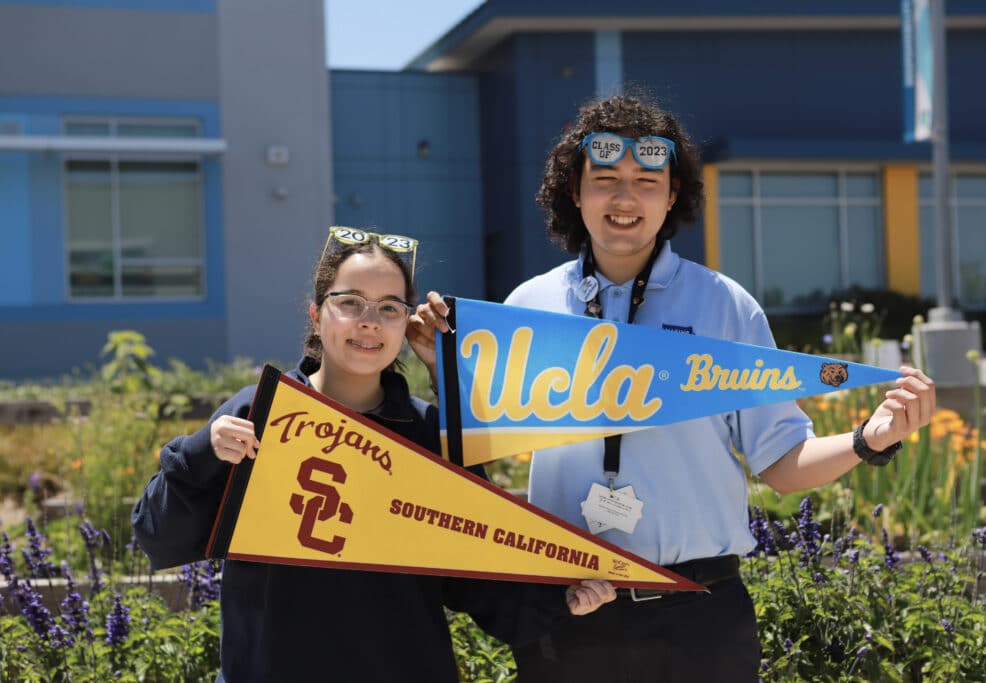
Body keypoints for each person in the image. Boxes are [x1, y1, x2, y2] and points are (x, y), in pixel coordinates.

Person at [411, 94, 936, 682]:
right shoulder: (527, 306)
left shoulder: (724, 304)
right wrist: (441, 370)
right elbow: (474, 449)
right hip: (568, 612)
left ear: (672, 196)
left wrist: (870, 437)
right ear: (574, 193)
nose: (625, 198)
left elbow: (783, 465)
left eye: (646, 182)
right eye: (605, 179)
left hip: (701, 621)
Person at [131, 228, 615, 683]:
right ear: (317, 315)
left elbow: (479, 571)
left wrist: (563, 595)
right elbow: (157, 536)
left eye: (389, 308)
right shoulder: (261, 414)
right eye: (350, 303)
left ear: (407, 323)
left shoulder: (428, 433)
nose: (368, 321)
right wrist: (204, 451)